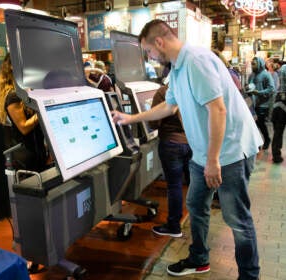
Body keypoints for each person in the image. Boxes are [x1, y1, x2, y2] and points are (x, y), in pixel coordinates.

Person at [111, 19, 262, 279]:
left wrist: (213, 161)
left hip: (230, 153)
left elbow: (218, 109)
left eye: (148, 51)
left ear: (159, 42)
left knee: (237, 219)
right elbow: (169, 106)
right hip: (205, 153)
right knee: (195, 204)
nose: (150, 56)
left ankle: (250, 275)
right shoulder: (177, 70)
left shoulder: (195, 61)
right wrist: (130, 119)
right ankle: (199, 258)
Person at [149, 83, 192, 238]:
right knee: (193, 184)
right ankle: (197, 221)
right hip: (191, 143)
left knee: (174, 186)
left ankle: (174, 226)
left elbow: (153, 122)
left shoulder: (163, 92)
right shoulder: (191, 87)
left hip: (171, 144)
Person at [0, 53, 48, 172]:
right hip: (26, 157)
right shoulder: (13, 96)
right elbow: (24, 127)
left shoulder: (23, 92)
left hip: (36, 151)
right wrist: (43, 109)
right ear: (12, 67)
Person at [248, 57, 275, 150]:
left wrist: (259, 93)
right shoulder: (251, 75)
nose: (252, 66)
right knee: (254, 124)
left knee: (260, 123)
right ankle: (258, 142)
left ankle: (266, 139)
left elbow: (272, 88)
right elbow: (249, 88)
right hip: (253, 104)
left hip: (263, 104)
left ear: (260, 64)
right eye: (251, 64)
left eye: (254, 64)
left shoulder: (266, 75)